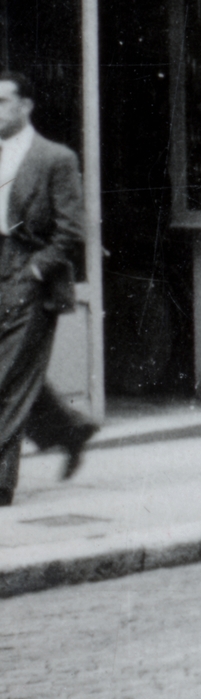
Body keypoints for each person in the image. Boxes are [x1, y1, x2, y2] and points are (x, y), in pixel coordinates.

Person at [0, 72, 96, 505]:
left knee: (6, 377)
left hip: (30, 275)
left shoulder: (55, 158)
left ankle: (2, 483)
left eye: (3, 101)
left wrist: (36, 271)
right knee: (16, 373)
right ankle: (70, 430)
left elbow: (72, 229)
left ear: (26, 106)